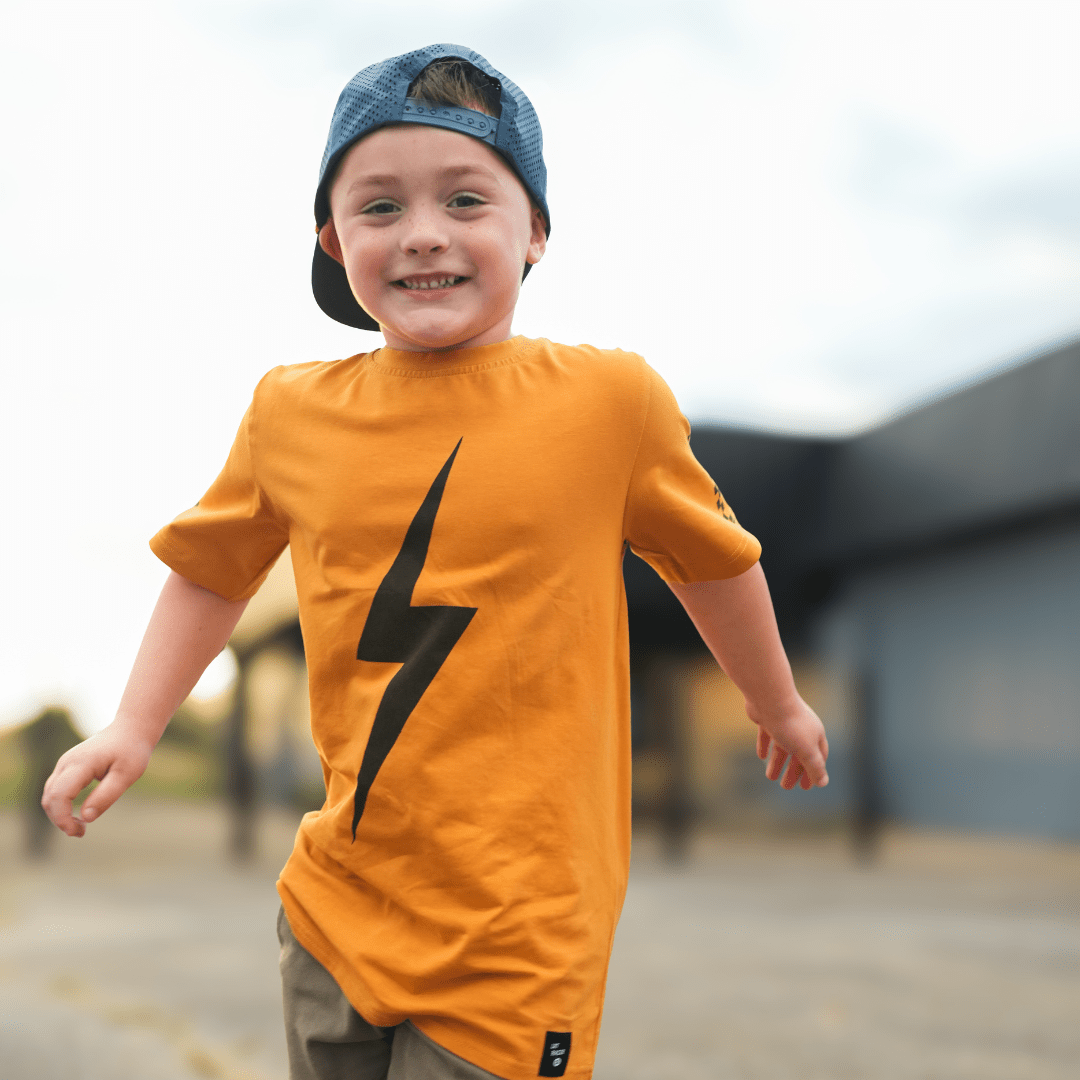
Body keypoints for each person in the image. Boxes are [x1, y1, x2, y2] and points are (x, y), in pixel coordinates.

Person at [42, 44, 829, 1080]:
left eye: (465, 199)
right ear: (333, 240)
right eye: (380, 207)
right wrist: (136, 725)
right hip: (335, 910)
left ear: (534, 230)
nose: (422, 234)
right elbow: (211, 569)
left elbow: (713, 562)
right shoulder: (288, 412)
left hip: (520, 934)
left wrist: (775, 702)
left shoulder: (612, 404)